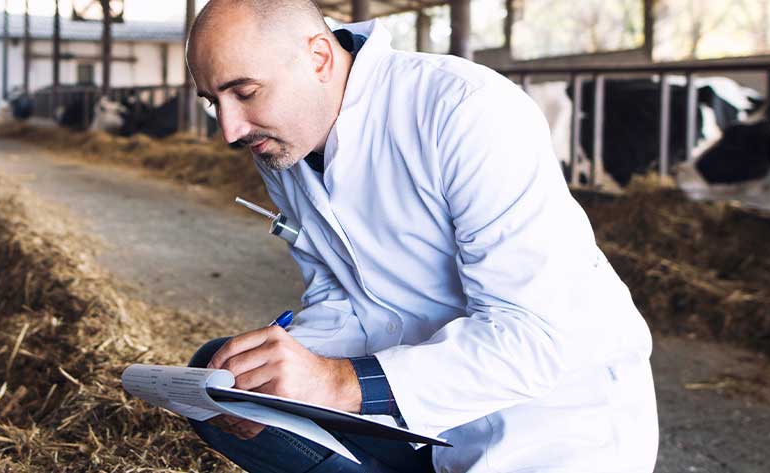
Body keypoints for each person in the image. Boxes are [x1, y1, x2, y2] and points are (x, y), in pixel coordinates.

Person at [181, 0, 658, 471]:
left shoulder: (464, 110)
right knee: (224, 374)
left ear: (319, 58)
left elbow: (533, 340)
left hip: (552, 426)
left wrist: (340, 383)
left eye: (244, 92)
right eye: (213, 102)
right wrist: (285, 367)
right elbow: (339, 295)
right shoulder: (283, 144)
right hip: (421, 420)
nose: (229, 130)